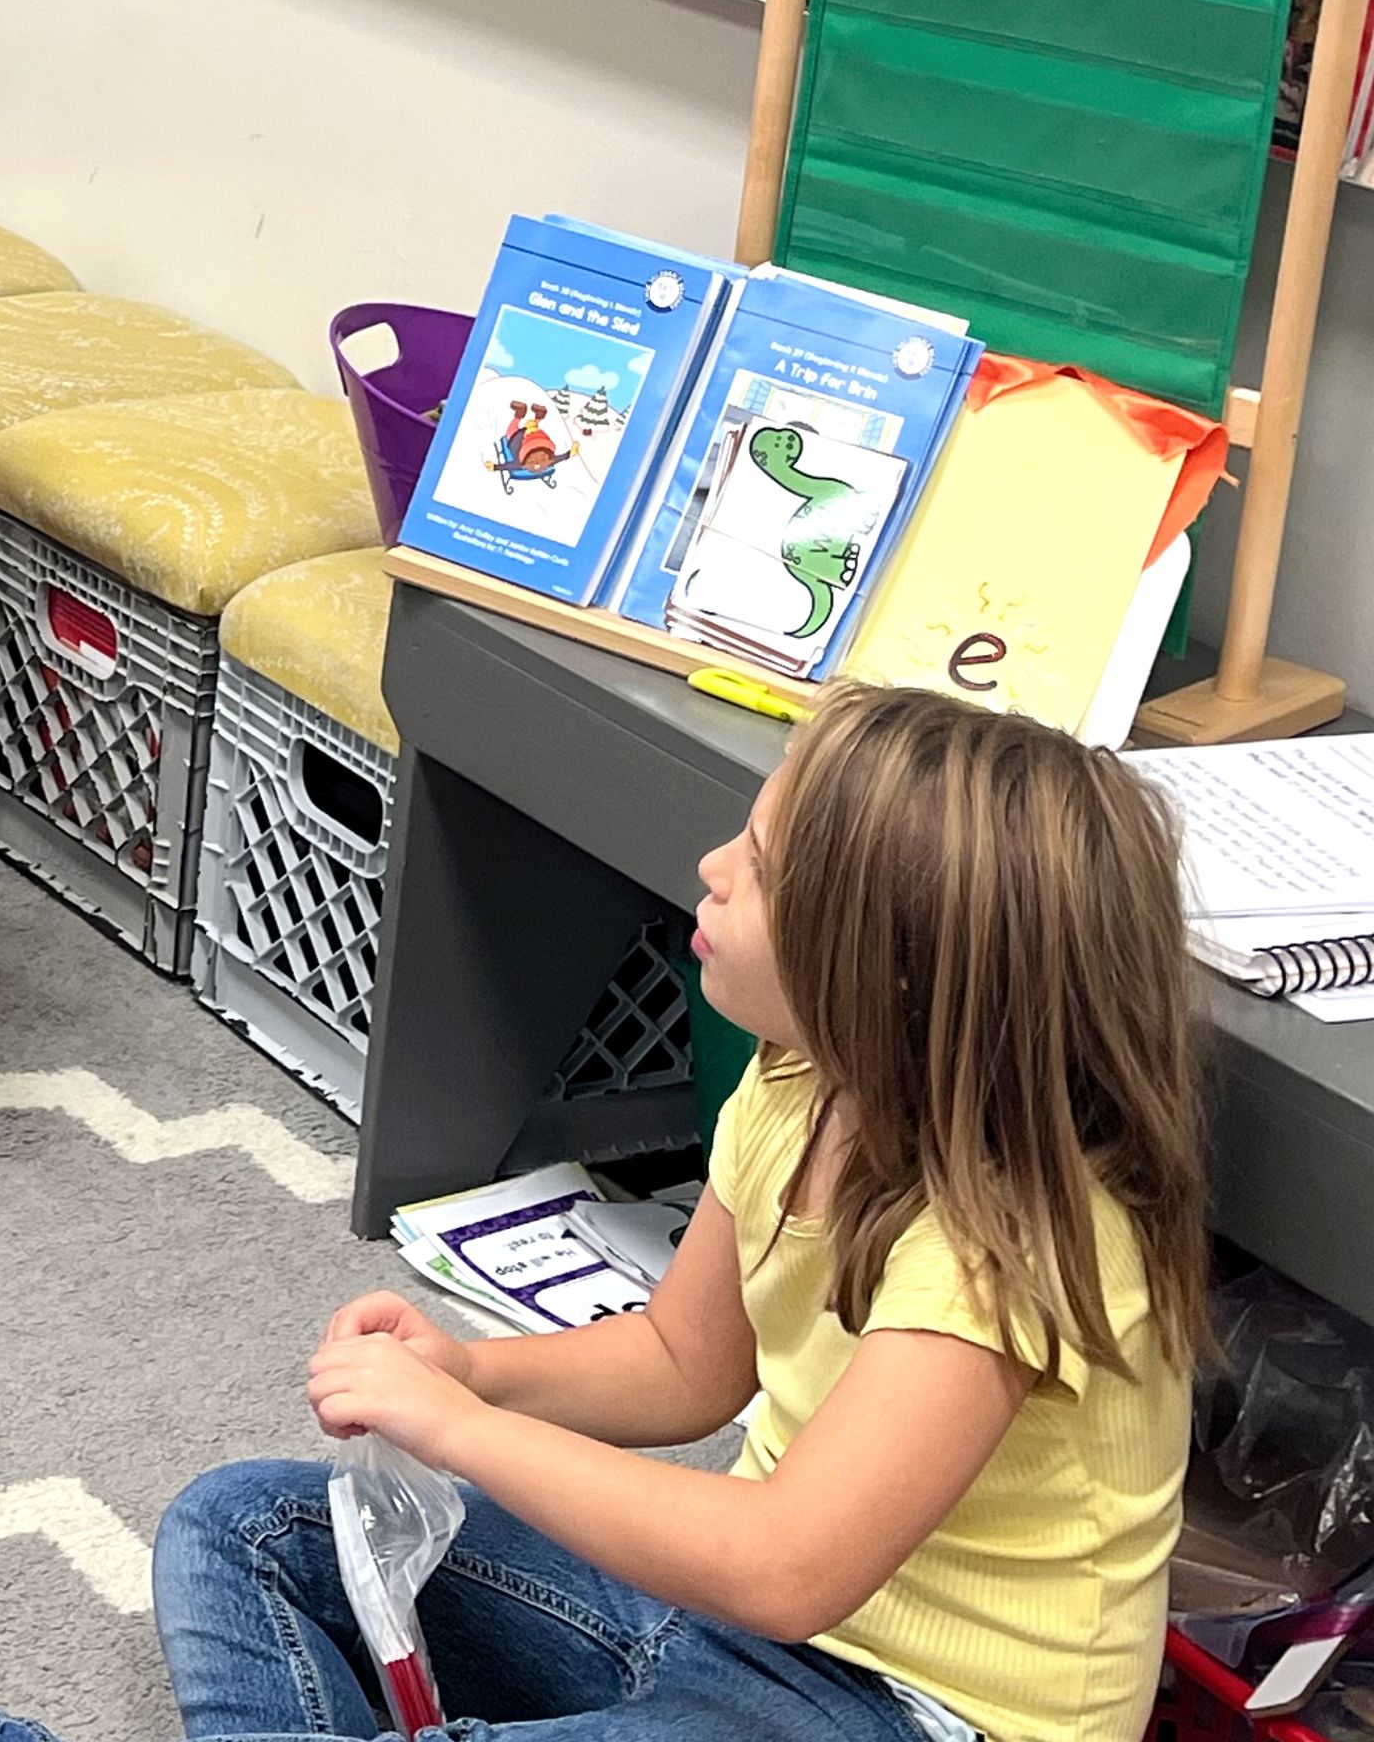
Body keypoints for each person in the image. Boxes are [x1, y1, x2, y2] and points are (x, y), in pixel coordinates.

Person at [157, 682, 1206, 1742]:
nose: (712, 870)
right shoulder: (800, 1080)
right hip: (726, 1625)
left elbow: (788, 1567)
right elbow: (683, 1361)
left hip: (918, 1713)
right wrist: (474, 1375)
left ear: (885, 973)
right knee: (241, 1527)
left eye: (760, 870)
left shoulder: (999, 1249)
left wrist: (467, 1433)